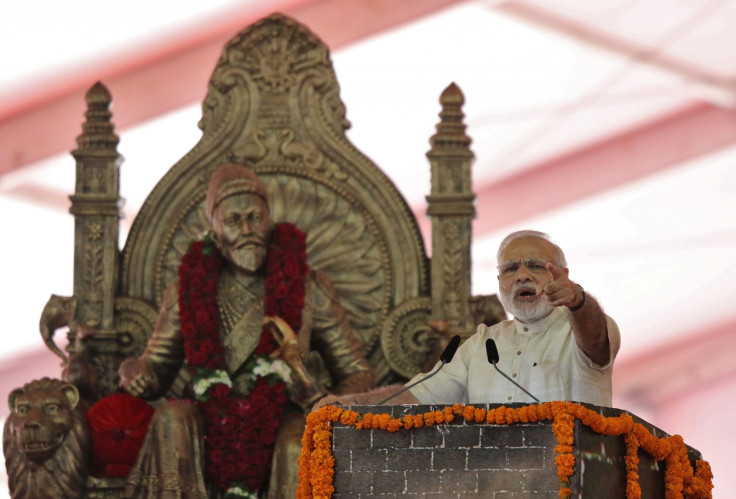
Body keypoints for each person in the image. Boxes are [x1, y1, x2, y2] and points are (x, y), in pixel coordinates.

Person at [118, 163, 374, 498]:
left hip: (285, 410)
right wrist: (134, 370)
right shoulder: (186, 290)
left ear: (271, 222)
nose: (248, 229)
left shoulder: (310, 286)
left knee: (297, 441)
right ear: (214, 232)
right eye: (233, 221)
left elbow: (357, 372)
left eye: (255, 217)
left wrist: (327, 404)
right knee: (171, 417)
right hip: (212, 411)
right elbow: (157, 367)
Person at [314, 230, 620, 410]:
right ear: (500, 280)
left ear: (563, 275)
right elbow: (416, 395)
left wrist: (579, 300)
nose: (522, 275)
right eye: (511, 268)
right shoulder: (481, 346)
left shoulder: (581, 328)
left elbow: (595, 341)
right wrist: (350, 405)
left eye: (536, 266)